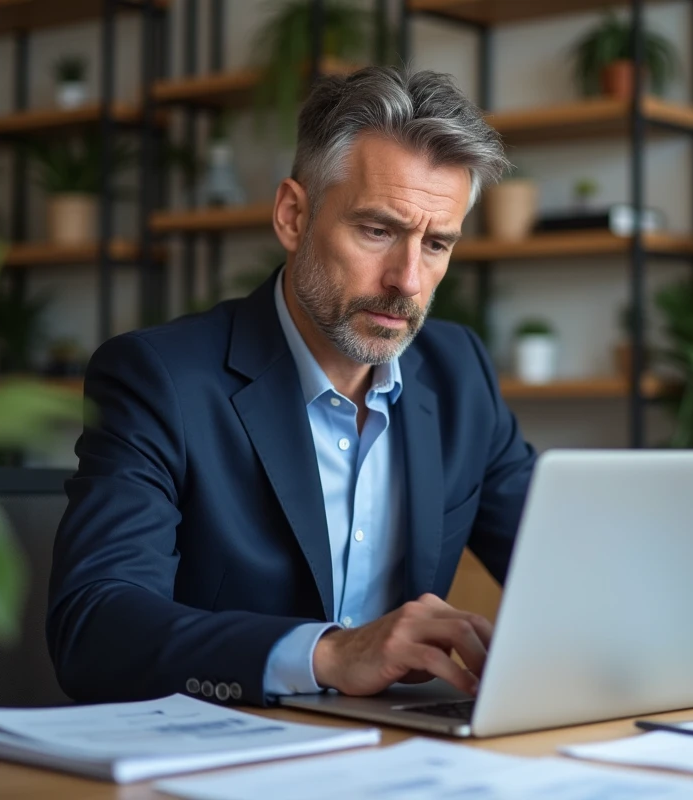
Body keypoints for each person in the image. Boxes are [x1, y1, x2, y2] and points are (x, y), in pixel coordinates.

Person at [46, 66, 537, 707]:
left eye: (437, 244)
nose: (408, 280)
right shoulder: (158, 379)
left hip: (400, 746)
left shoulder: (459, 373)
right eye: (377, 230)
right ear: (293, 215)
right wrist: (329, 655)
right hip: (225, 744)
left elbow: (574, 562)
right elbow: (94, 628)